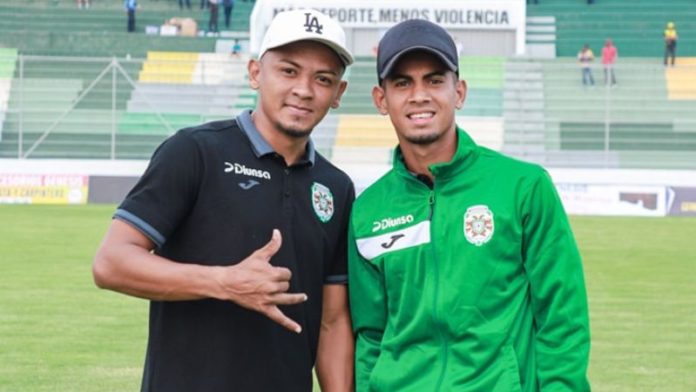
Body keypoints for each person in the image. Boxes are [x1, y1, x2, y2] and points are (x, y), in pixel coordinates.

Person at [93, 9, 355, 392]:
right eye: (288, 71)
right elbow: (111, 263)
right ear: (254, 73)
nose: (304, 89)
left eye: (323, 78)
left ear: (338, 94)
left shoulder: (335, 187)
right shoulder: (194, 152)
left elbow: (332, 322)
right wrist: (225, 281)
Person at [348, 19, 590, 391]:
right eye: (402, 83)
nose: (419, 95)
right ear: (381, 100)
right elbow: (371, 336)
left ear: (458, 92)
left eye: (434, 80)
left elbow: (563, 315)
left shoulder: (524, 186)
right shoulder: (367, 211)